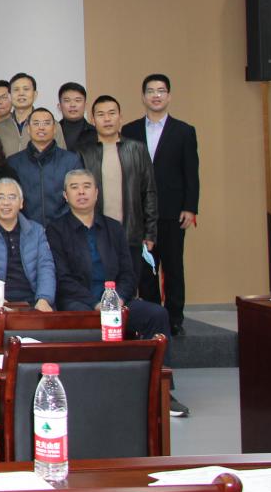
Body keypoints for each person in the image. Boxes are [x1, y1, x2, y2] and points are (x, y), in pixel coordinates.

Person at [46, 169, 188, 416]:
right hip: (80, 302)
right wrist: (95, 303)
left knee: (156, 314)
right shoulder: (56, 230)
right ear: (65, 196)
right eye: (74, 187)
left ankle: (161, 391)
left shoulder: (113, 228)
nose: (81, 192)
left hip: (117, 300)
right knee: (81, 320)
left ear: (96, 192)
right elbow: (62, 277)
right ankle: (92, 395)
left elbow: (128, 272)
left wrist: (118, 299)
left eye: (87, 186)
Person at [122, 74, 198, 335]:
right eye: (151, 91)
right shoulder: (129, 130)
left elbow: (191, 173)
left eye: (161, 91)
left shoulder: (184, 131)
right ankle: (153, 315)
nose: (156, 95)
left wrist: (190, 207)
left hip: (172, 211)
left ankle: (175, 317)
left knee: (173, 265)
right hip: (139, 212)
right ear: (143, 97)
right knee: (145, 268)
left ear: (169, 96)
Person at [78, 95, 158, 282]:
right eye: (101, 114)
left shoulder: (137, 149)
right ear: (92, 119)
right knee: (99, 287)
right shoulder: (82, 152)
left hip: (130, 233)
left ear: (120, 117)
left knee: (129, 287)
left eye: (112, 113)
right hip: (95, 235)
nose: (107, 119)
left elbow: (149, 192)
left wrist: (150, 232)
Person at [0, 178, 55, 309]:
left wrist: (44, 299)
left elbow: (46, 267)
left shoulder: (36, 231)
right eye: (0, 197)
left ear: (21, 203)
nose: (6, 203)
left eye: (12, 197)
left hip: (33, 301)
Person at [8, 108, 82, 226]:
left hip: (63, 228)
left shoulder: (71, 160)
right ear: (28, 129)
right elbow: (10, 199)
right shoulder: (13, 162)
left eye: (46, 123)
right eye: (36, 123)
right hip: (25, 229)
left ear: (54, 129)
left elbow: (78, 195)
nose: (41, 128)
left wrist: (58, 225)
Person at [0, 73, 67, 157]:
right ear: (9, 96)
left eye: (26, 89)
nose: (21, 93)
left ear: (35, 94)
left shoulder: (52, 125)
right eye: (16, 89)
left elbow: (62, 158)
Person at [58, 82, 97, 150]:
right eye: (67, 100)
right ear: (59, 106)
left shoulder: (96, 133)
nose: (72, 105)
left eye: (77, 100)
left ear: (85, 105)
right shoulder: (52, 132)